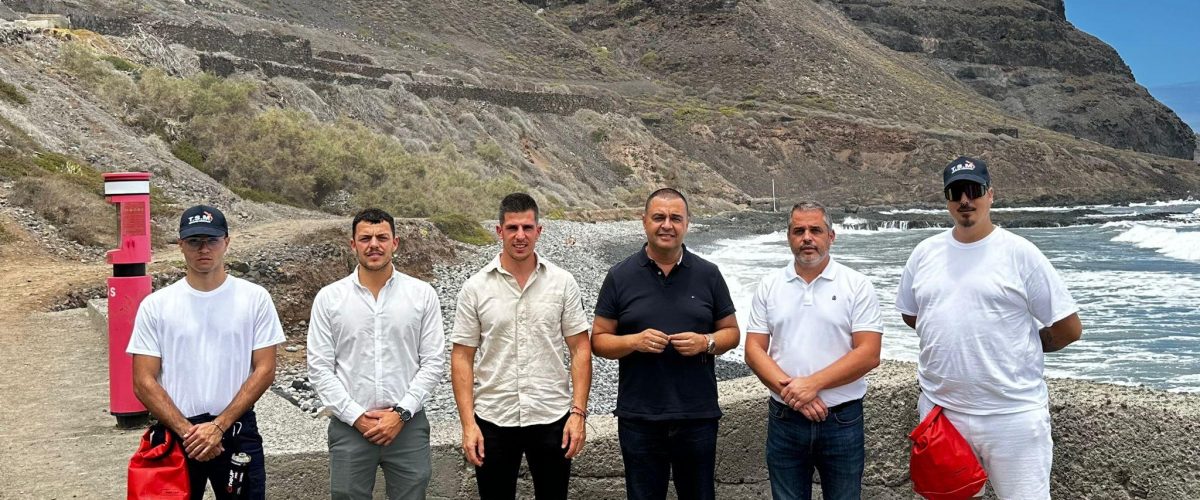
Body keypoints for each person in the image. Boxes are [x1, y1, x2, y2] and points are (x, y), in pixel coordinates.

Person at [895, 156, 1083, 499]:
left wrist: (1021, 344)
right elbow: (911, 314)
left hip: (1012, 416)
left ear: (990, 195)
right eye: (956, 192)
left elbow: (1068, 328)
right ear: (947, 199)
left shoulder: (1020, 254)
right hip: (942, 414)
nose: (965, 200)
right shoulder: (924, 253)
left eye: (974, 190)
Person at [591, 188, 740, 500]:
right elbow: (599, 341)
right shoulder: (620, 276)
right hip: (639, 418)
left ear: (687, 223)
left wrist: (706, 342)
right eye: (659, 217)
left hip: (697, 416)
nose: (667, 225)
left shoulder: (708, 274)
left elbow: (732, 333)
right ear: (644, 221)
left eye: (675, 218)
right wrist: (634, 341)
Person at [129, 204, 285, 500]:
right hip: (177, 437)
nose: (204, 249)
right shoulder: (157, 305)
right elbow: (142, 380)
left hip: (237, 433)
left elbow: (265, 369)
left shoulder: (255, 299)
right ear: (181, 245)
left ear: (226, 242)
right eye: (194, 241)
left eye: (212, 240)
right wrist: (189, 432)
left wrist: (218, 426)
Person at [450, 193, 592, 500]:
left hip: (551, 416)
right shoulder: (475, 288)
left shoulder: (563, 282)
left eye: (527, 227)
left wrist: (578, 414)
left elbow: (581, 348)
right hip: (493, 419)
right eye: (512, 228)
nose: (520, 235)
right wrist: (468, 424)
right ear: (499, 231)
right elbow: (462, 356)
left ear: (538, 231)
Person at [744, 201, 883, 500]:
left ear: (831, 236)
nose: (807, 237)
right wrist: (796, 395)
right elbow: (754, 349)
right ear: (789, 237)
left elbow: (869, 352)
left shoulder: (857, 285)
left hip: (842, 421)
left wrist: (812, 385)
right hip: (785, 419)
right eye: (799, 231)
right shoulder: (769, 285)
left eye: (815, 230)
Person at [307, 208, 446, 500]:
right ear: (353, 244)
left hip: (408, 426)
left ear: (395, 243)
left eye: (382, 237)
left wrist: (402, 412)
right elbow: (319, 367)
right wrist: (356, 416)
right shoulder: (329, 299)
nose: (374, 244)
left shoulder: (422, 295)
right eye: (365, 238)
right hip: (350, 427)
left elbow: (433, 361)